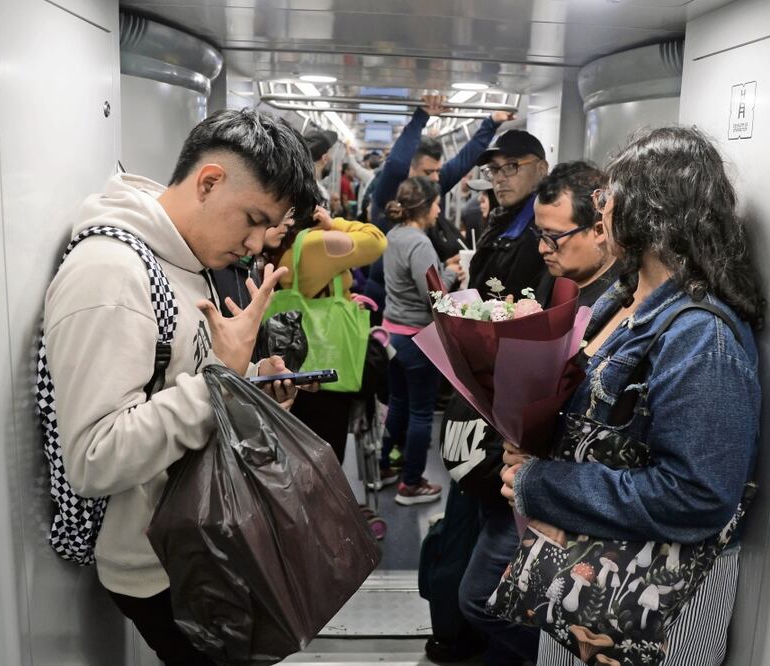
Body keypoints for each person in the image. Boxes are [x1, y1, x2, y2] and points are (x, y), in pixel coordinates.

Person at [42, 108, 319, 664]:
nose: (260, 242)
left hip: (199, 536)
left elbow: (180, 382)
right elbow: (96, 459)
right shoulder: (111, 274)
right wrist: (223, 379)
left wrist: (250, 387)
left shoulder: (187, 261)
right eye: (254, 218)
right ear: (210, 182)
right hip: (157, 565)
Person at [501, 127, 764, 666]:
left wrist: (542, 482)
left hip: (654, 606)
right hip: (590, 577)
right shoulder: (623, 301)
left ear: (649, 208)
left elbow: (696, 495)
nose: (601, 211)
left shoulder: (701, 338)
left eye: (608, 198)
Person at [448, 128, 551, 666]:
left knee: (483, 586)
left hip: (513, 407)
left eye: (513, 166)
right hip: (486, 398)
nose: (502, 176)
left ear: (540, 166)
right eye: (495, 168)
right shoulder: (497, 222)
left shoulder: (539, 231)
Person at [362, 95, 512, 313]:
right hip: (381, 297)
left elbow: (464, 159)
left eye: (437, 171)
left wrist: (491, 122)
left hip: (414, 305)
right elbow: (395, 164)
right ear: (410, 169)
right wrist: (421, 116)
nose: (435, 178)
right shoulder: (389, 193)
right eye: (428, 172)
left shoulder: (431, 186)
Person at [379, 176, 462, 505]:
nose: (439, 208)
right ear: (424, 207)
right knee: (422, 412)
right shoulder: (420, 243)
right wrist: (454, 274)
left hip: (391, 334)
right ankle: (411, 484)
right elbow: (435, 296)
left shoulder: (394, 235)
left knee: (397, 403)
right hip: (417, 339)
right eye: (436, 203)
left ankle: (386, 465)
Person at [281, 205, 387, 462]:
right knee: (327, 447)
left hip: (297, 352)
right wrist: (334, 222)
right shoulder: (317, 243)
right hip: (329, 354)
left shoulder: (285, 249)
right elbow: (376, 240)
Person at [532, 160, 624, 306]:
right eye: (540, 232)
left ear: (600, 231)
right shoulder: (553, 276)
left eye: (554, 235)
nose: (542, 248)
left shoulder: (621, 302)